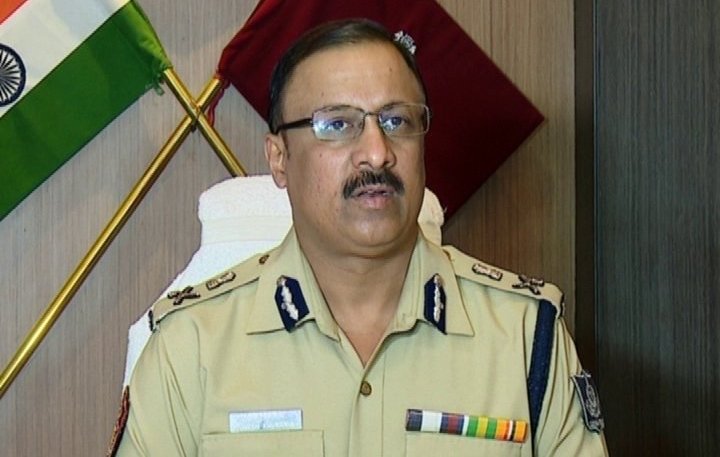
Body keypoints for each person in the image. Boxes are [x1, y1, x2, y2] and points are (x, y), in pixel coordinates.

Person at [112, 19, 608, 456]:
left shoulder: (525, 334)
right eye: (337, 124)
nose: (376, 152)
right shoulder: (190, 345)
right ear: (279, 158)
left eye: (396, 121)